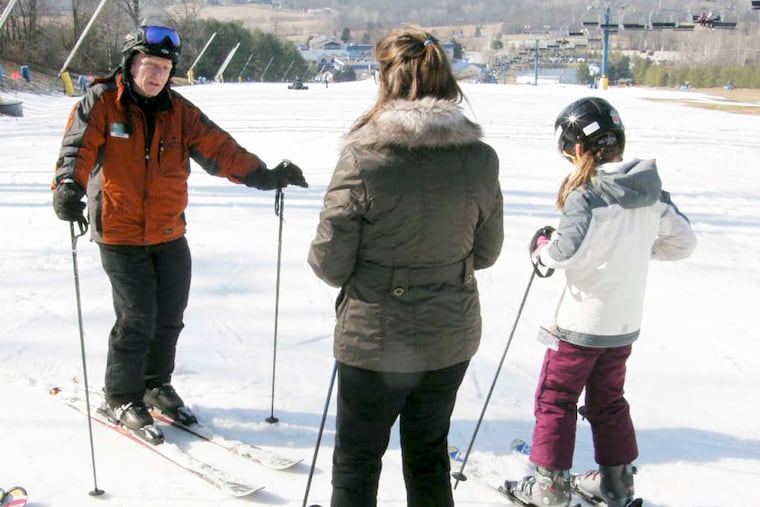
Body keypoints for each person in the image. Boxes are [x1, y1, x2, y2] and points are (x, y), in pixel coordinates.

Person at [51, 25, 308, 440]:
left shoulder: (180, 112)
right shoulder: (101, 103)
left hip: (169, 230)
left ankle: (154, 383)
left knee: (169, 315)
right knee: (137, 317)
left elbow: (220, 149)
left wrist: (264, 175)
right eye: (150, 66)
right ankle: (121, 395)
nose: (156, 76)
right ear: (131, 64)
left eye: (164, 68)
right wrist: (68, 186)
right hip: (119, 231)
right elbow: (77, 149)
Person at [308, 24, 504, 507]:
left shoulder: (365, 158)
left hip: (374, 338)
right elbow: (487, 251)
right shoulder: (479, 159)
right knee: (428, 454)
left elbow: (330, 261)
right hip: (450, 333)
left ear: (387, 79)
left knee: (357, 459)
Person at [504, 97, 696, 507]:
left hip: (579, 324)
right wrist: (635, 249)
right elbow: (683, 242)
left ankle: (550, 486)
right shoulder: (650, 189)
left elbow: (564, 252)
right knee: (608, 401)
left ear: (576, 149)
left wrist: (541, 247)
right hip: (623, 324)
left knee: (556, 398)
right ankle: (617, 485)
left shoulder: (587, 194)